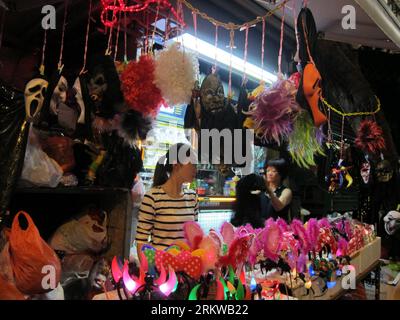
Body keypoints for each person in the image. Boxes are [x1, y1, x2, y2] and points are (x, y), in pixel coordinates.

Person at [135, 143, 198, 252]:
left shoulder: (192, 197)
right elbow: (141, 240)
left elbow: (194, 236)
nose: (195, 170)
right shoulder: (152, 197)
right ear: (177, 165)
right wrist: (147, 268)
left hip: (187, 266)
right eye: (192, 164)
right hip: (160, 267)